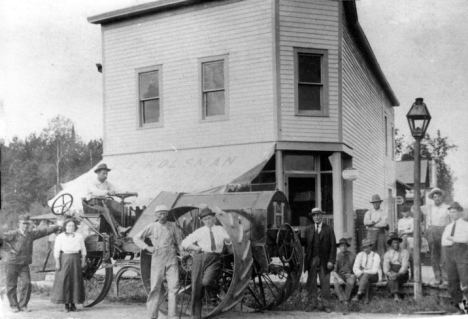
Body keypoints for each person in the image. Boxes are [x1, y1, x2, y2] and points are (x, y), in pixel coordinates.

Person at [2, 214, 61, 312]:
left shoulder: (31, 234)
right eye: (23, 223)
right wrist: (9, 249)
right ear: (19, 224)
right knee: (11, 285)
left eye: (27, 224)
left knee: (27, 283)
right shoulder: (13, 233)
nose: (25, 226)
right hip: (11, 263)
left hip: (24, 264)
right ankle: (13, 305)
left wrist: (57, 227)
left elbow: (44, 231)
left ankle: (23, 305)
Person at [181, 205, 231, 319]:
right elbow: (185, 242)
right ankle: (196, 316)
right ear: (202, 221)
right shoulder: (199, 231)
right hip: (200, 258)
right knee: (196, 287)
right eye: (205, 219)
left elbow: (228, 241)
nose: (207, 221)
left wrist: (228, 240)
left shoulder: (220, 229)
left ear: (214, 218)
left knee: (206, 281)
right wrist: (195, 248)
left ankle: (217, 290)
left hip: (214, 258)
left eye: (209, 218)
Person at [133, 205, 183, 319]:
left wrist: (183, 251)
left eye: (164, 213)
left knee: (174, 286)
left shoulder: (173, 226)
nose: (162, 216)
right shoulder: (151, 226)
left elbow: (179, 242)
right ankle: (152, 314)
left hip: (172, 257)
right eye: (160, 214)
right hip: (158, 257)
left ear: (167, 214)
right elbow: (136, 238)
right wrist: (146, 247)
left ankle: (172, 315)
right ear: (156, 215)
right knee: (155, 286)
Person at [303, 208, 336, 313]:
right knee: (311, 282)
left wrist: (331, 261)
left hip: (325, 260)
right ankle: (312, 304)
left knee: (325, 282)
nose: (316, 217)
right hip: (312, 259)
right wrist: (296, 236)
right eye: (314, 215)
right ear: (312, 217)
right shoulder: (308, 229)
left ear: (322, 216)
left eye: (318, 215)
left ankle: (326, 305)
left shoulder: (329, 229)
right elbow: (303, 243)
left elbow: (333, 246)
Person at [51, 219, 87, 312]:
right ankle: (66, 305)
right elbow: (56, 250)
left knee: (75, 281)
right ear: (65, 227)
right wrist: (58, 263)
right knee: (65, 280)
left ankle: (73, 304)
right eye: (69, 225)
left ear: (75, 227)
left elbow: (83, 250)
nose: (71, 227)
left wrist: (83, 261)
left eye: (72, 226)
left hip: (76, 259)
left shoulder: (79, 236)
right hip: (64, 259)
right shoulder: (60, 237)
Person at [86, 163, 130, 236]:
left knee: (119, 208)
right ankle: (118, 228)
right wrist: (107, 192)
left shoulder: (107, 183)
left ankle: (119, 232)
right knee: (105, 210)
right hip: (92, 205)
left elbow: (116, 190)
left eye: (106, 174)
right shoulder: (92, 183)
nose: (105, 176)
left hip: (103, 203)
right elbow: (96, 192)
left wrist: (127, 193)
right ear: (98, 173)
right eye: (103, 173)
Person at [441, 201, 468, 314]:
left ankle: (467, 308)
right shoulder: (448, 226)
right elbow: (444, 241)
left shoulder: (465, 225)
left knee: (465, 280)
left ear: (460, 212)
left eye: (454, 212)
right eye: (450, 212)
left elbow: (466, 239)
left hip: (462, 253)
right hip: (449, 254)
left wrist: (452, 238)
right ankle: (460, 308)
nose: (452, 214)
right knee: (452, 281)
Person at [421, 187, 450, 285]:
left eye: (438, 196)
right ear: (432, 198)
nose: (437, 198)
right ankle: (437, 277)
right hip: (432, 231)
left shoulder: (447, 208)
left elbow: (450, 221)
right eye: (434, 197)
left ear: (442, 197)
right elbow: (415, 208)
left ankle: (445, 278)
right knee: (434, 255)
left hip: (444, 230)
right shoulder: (429, 207)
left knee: (444, 255)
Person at [363, 194, 388, 273]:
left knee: (381, 252)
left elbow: (384, 224)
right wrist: (375, 222)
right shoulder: (369, 212)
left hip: (380, 233)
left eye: (377, 202)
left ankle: (383, 272)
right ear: (372, 204)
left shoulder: (383, 212)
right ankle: (369, 270)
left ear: (380, 203)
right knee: (369, 251)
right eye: (374, 203)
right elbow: (365, 222)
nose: (375, 204)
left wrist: (371, 224)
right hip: (371, 233)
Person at [331, 238, 355, 315]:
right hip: (339, 275)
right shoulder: (337, 256)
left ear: (347, 247)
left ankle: (345, 301)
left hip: (349, 274)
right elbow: (334, 271)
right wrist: (338, 278)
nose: (343, 247)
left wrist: (353, 274)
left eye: (345, 246)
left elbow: (356, 267)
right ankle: (345, 302)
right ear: (339, 247)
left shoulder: (352, 255)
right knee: (336, 283)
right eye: (341, 246)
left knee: (351, 282)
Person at [352, 238, 380, 304]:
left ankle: (359, 294)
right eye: (364, 248)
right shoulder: (360, 255)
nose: (365, 249)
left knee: (366, 276)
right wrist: (359, 272)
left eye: (367, 247)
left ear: (371, 247)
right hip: (362, 275)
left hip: (374, 276)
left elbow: (374, 270)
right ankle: (366, 300)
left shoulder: (376, 256)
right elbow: (355, 267)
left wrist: (363, 272)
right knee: (366, 279)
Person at [383, 233, 409, 301]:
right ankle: (396, 296)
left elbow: (404, 266)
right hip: (392, 272)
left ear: (399, 243)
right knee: (392, 278)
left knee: (392, 280)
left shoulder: (405, 252)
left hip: (402, 274)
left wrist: (398, 274)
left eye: (397, 242)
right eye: (394, 243)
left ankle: (395, 295)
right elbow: (386, 267)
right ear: (391, 244)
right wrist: (389, 274)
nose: (396, 244)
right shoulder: (387, 254)